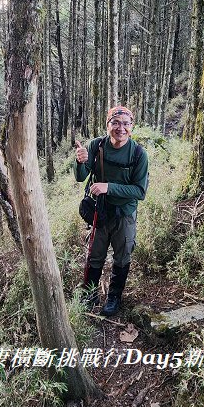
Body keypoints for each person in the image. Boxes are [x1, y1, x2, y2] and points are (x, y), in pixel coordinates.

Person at [74, 105, 149, 316]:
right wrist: (80, 162)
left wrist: (109, 187)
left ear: (131, 127)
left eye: (126, 123)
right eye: (115, 123)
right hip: (100, 212)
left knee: (122, 256)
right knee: (95, 255)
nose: (120, 128)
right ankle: (90, 293)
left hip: (125, 214)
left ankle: (114, 297)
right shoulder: (96, 146)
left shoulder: (138, 154)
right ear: (107, 125)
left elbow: (140, 191)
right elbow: (81, 176)